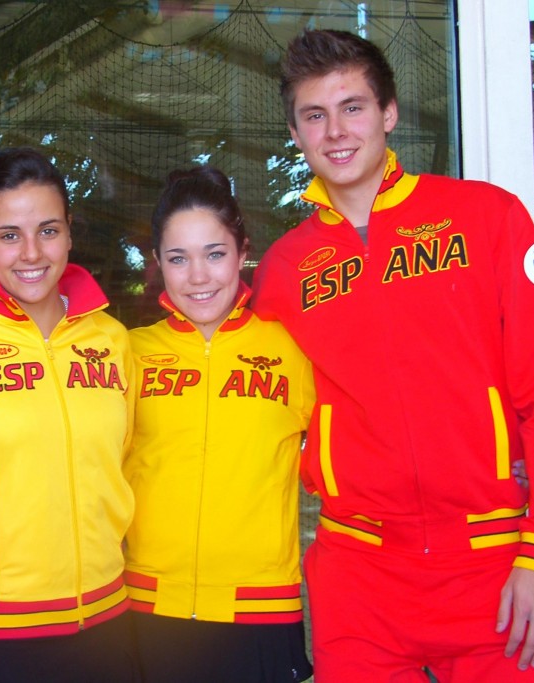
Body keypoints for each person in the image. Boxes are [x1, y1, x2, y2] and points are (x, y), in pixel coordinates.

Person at [251, 29, 534, 682]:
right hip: (360, 576)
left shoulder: (486, 217)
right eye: (314, 115)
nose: (336, 131)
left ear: (389, 113)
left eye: (353, 107)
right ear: (294, 133)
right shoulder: (285, 270)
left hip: (493, 566)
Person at [0, 146, 139, 682]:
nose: (31, 253)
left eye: (48, 230)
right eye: (8, 235)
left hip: (107, 615)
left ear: (70, 232)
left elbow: (124, 459)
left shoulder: (112, 339)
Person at [122, 166, 314, 683]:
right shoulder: (129, 354)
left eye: (214, 253)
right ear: (158, 263)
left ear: (242, 250)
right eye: (179, 259)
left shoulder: (292, 350)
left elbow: (361, 448)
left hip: (260, 611)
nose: (199, 277)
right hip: (147, 608)